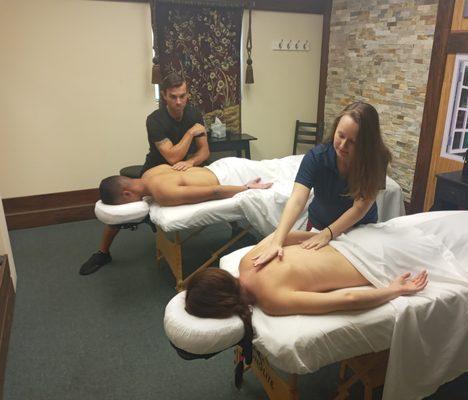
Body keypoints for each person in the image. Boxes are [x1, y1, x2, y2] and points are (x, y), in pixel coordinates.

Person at [80, 73, 210, 275]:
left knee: (209, 186)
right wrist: (190, 133)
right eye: (173, 96)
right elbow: (172, 158)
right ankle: (102, 252)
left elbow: (205, 152)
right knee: (123, 205)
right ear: (164, 96)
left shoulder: (194, 114)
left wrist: (191, 162)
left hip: (185, 166)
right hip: (156, 167)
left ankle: (235, 224)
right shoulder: (155, 120)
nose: (178, 102)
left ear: (187, 95)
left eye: (182, 96)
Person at [252, 101, 392, 267]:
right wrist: (277, 241)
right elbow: (297, 200)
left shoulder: (377, 160)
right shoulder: (316, 157)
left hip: (359, 229)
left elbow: (359, 208)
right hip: (319, 224)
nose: (343, 145)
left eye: (352, 142)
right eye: (340, 135)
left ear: (366, 145)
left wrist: (329, 234)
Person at [184, 230, 427, 321]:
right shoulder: (247, 261)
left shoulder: (271, 301)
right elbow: (284, 236)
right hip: (353, 240)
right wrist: (326, 235)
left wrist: (395, 290)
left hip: (373, 262)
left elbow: (349, 300)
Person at [98, 163, 272, 206]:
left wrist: (246, 188)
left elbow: (215, 192)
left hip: (231, 177)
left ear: (127, 194)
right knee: (270, 166)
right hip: (221, 165)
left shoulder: (162, 194)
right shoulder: (149, 173)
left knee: (279, 171)